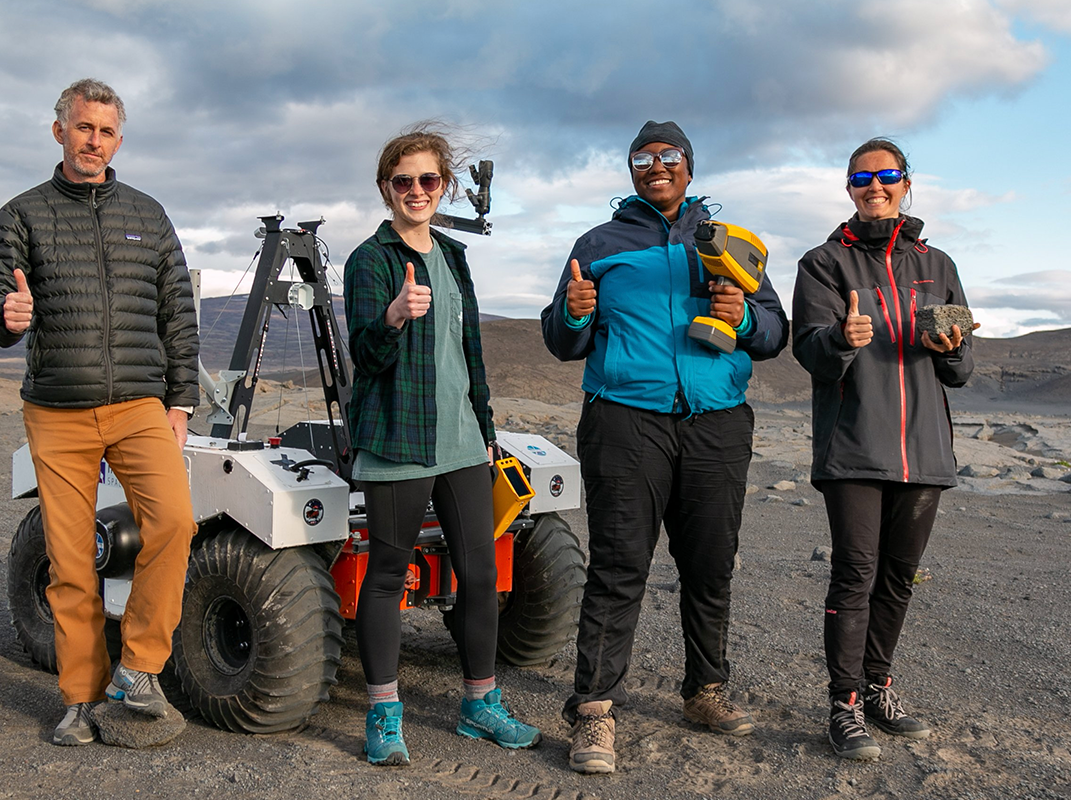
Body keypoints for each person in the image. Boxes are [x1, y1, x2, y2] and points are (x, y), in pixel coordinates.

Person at [541, 120, 788, 774]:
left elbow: (773, 333)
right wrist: (574, 311)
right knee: (619, 565)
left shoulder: (727, 242)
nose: (656, 165)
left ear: (689, 166)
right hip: (625, 421)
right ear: (631, 169)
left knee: (709, 563)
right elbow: (563, 341)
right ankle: (593, 711)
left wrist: (744, 317)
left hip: (716, 421)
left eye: (668, 156)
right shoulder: (600, 242)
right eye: (642, 157)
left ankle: (705, 691)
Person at [0, 78, 198, 746]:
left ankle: (139, 669)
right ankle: (77, 698)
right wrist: (3, 318)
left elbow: (177, 312)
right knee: (71, 562)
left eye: (105, 131)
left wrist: (179, 400)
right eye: (82, 127)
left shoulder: (148, 215)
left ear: (117, 140)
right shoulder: (21, 215)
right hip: (58, 412)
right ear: (59, 131)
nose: (93, 141)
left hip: (137, 407)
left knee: (176, 524)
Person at [344, 124, 540, 766]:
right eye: (404, 181)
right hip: (397, 441)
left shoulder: (455, 257)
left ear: (444, 185)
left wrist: (485, 431)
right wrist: (394, 316)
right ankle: (383, 713)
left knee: (480, 575)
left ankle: (480, 705)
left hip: (461, 442)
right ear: (385, 190)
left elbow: (470, 354)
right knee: (386, 577)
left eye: (429, 180)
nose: (417, 191)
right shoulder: (369, 260)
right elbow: (366, 358)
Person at [792, 138, 976, 760]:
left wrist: (952, 347)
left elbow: (961, 368)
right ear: (848, 187)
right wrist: (842, 337)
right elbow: (809, 352)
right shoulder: (823, 264)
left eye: (888, 175)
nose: (876, 185)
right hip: (853, 447)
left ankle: (878, 689)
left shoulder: (938, 264)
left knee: (897, 579)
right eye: (862, 176)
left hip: (924, 449)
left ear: (906, 183)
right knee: (855, 575)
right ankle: (842, 705)